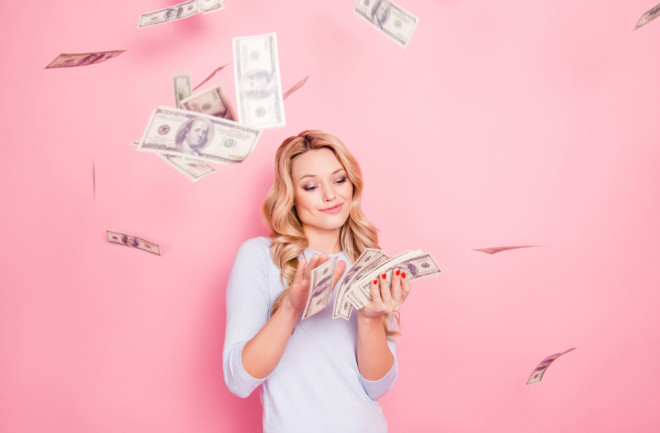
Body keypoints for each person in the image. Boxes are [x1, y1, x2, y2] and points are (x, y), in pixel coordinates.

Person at [223, 130, 413, 433]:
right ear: (290, 196)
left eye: (339, 180)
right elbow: (239, 381)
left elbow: (376, 387)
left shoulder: (370, 261)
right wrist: (291, 308)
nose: (330, 195)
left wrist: (369, 318)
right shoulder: (260, 257)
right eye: (311, 186)